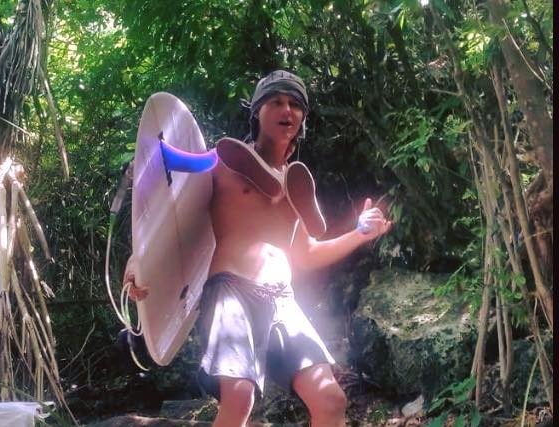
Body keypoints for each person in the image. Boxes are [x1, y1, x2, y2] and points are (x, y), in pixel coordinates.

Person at [124, 70, 392, 427]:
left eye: (296, 104)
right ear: (257, 112)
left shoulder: (297, 186)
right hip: (232, 290)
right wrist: (137, 264)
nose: (287, 110)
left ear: (303, 119)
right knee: (239, 398)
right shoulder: (221, 163)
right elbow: (170, 217)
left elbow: (307, 253)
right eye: (276, 101)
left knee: (330, 399)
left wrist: (360, 233)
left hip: (283, 300)